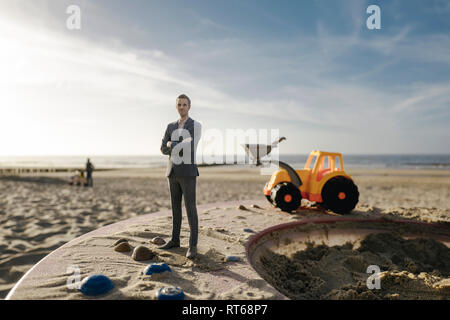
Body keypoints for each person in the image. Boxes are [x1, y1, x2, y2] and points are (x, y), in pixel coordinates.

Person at [159, 94, 202, 259]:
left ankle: (192, 246)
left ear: (189, 107)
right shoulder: (170, 126)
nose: (182, 107)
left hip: (188, 172)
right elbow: (162, 148)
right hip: (172, 172)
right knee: (175, 208)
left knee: (191, 209)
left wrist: (172, 144)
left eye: (184, 105)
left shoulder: (195, 126)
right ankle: (175, 240)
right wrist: (174, 145)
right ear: (176, 107)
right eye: (179, 105)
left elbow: (191, 146)